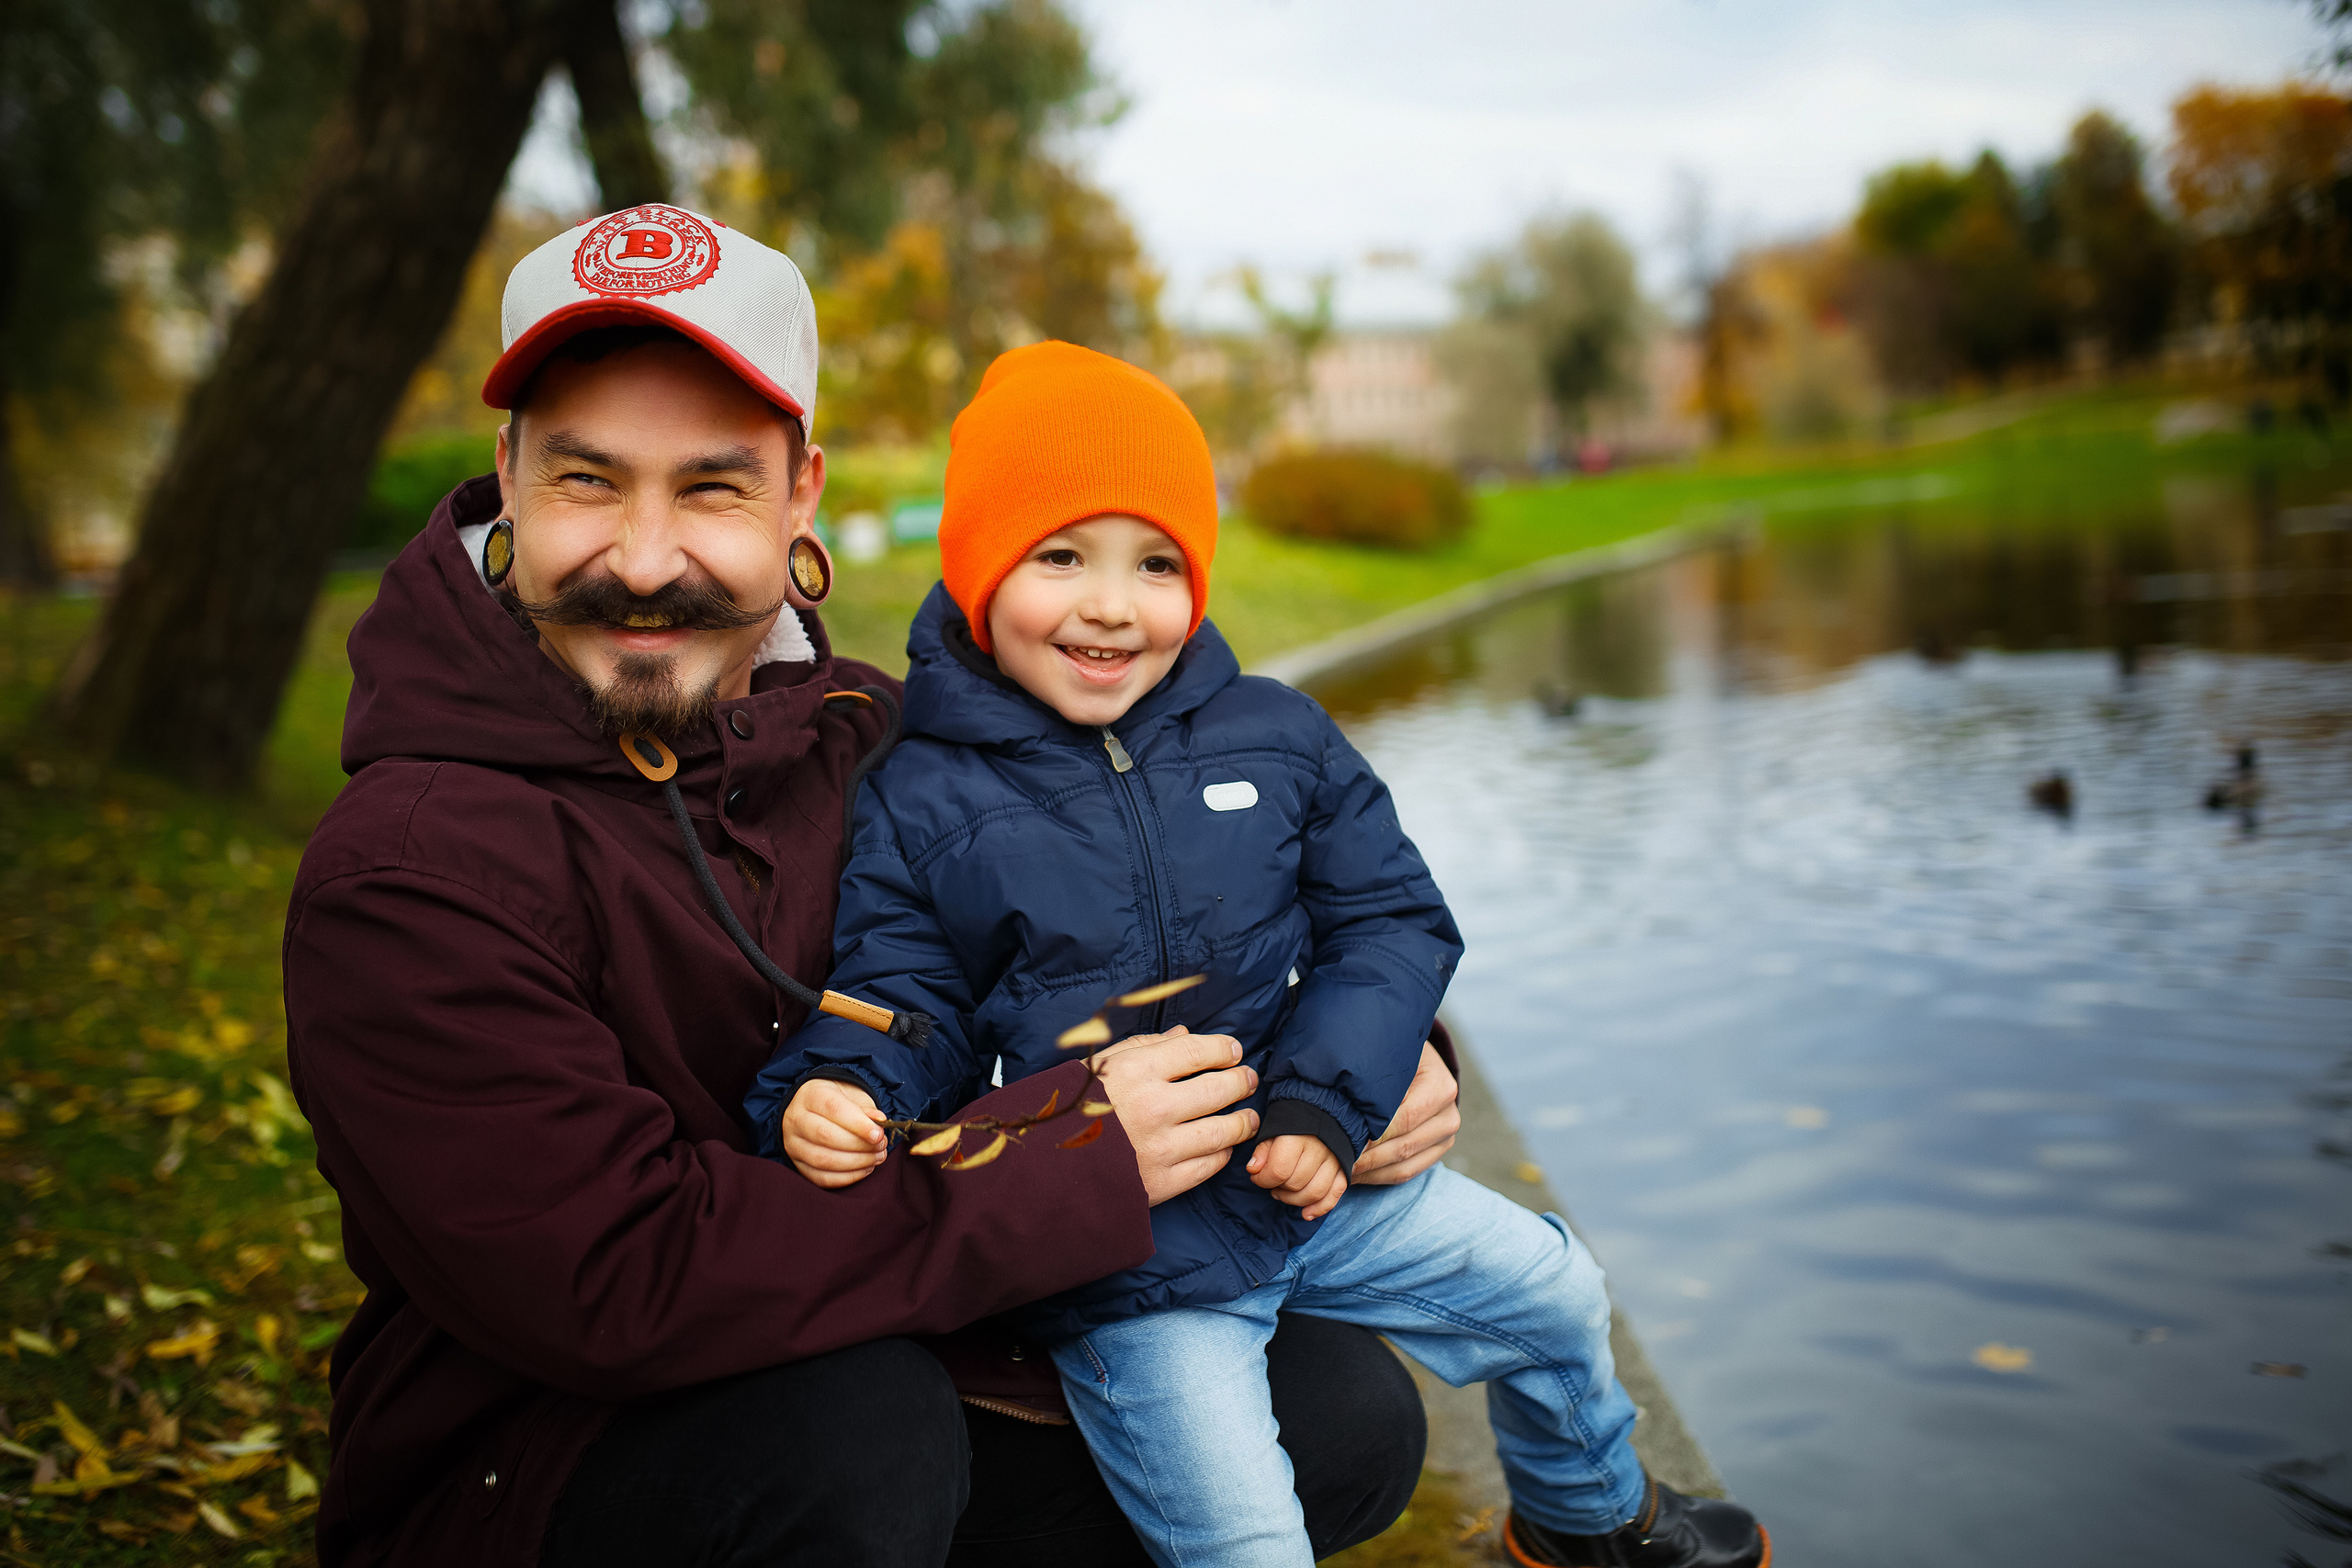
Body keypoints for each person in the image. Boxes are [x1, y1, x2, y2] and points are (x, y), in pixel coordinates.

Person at [282, 206, 1464, 1568]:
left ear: (800, 499)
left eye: (713, 487)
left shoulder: (882, 740)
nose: (648, 558)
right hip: (546, 1463)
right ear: (508, 478)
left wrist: (1360, 1064)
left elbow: (1166, 909)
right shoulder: (407, 868)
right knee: (857, 1439)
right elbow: (615, 1281)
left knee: (1335, 1409)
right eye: (590, 481)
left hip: (923, 1335)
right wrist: (1064, 1160)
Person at [750, 343, 1772, 1568]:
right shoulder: (919, 793)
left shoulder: (1275, 736)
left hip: (1313, 1185)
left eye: (1158, 563)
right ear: (977, 568)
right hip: (1127, 1266)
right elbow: (901, 997)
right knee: (1245, 1543)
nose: (1113, 605)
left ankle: (1583, 1515)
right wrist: (839, 1088)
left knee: (1556, 1290)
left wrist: (1328, 1099)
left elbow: (1392, 923)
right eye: (1061, 555)